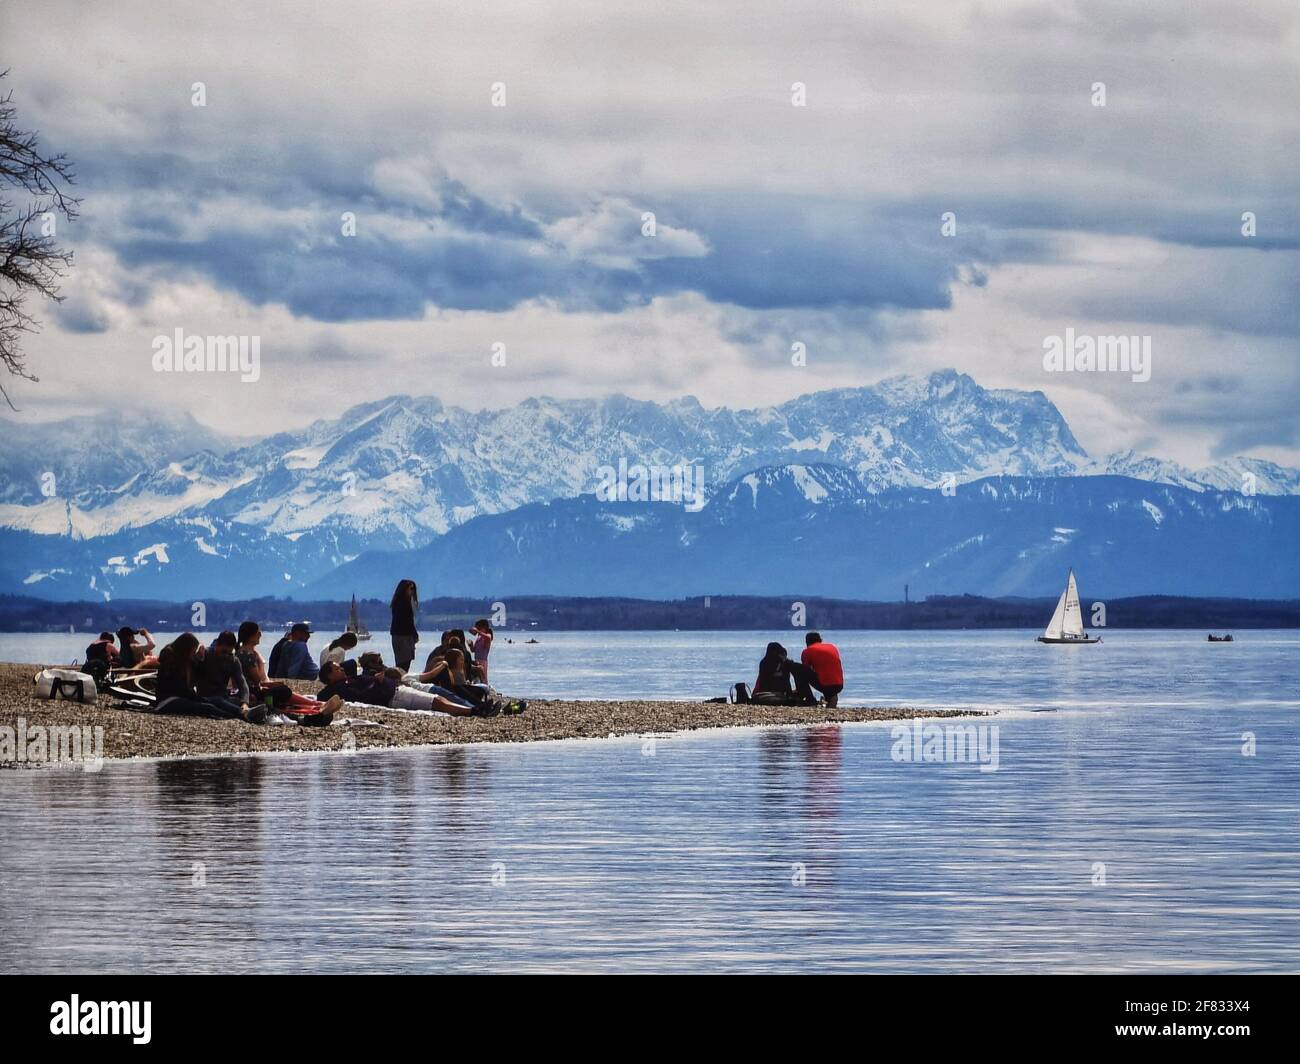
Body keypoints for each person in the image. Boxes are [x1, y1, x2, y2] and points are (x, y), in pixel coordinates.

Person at [155, 633, 266, 722]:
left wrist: (244, 702)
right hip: (169, 700)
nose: (225, 655)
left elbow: (242, 683)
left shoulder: (232, 661)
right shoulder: (172, 659)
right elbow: (182, 687)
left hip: (193, 697)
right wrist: (200, 658)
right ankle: (241, 717)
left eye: (229, 652)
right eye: (223, 651)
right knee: (208, 707)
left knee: (217, 701)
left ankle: (245, 713)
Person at [317, 660, 473, 716]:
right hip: (393, 696)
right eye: (338, 669)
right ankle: (472, 711)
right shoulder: (342, 688)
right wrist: (375, 682)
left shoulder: (347, 679)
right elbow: (362, 696)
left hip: (395, 690)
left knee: (439, 699)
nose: (342, 669)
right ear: (330, 677)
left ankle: (470, 709)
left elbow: (350, 663)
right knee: (436, 701)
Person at [752, 642, 817, 705]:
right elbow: (768, 682)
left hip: (775, 694)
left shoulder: (781, 663)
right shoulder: (767, 663)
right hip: (766, 694)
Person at [800, 632, 845, 707]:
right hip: (839, 684)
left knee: (799, 671)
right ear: (820, 640)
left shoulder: (807, 651)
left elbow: (805, 670)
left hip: (826, 685)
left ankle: (809, 699)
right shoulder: (832, 647)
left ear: (807, 642)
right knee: (827, 677)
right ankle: (830, 700)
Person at [389, 579, 419, 672]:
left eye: (413, 589)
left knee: (401, 663)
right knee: (404, 663)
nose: (412, 591)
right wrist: (415, 634)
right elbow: (408, 621)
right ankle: (401, 680)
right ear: (404, 589)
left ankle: (400, 680)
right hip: (404, 636)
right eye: (410, 588)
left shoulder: (397, 602)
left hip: (399, 635)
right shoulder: (403, 603)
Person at [471, 618, 494, 683]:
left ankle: (486, 690)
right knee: (477, 678)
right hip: (476, 660)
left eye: (478, 628)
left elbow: (488, 638)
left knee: (483, 678)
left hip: (483, 660)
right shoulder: (479, 637)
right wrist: (471, 645)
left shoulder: (487, 635)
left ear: (483, 627)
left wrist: (478, 631)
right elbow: (473, 650)